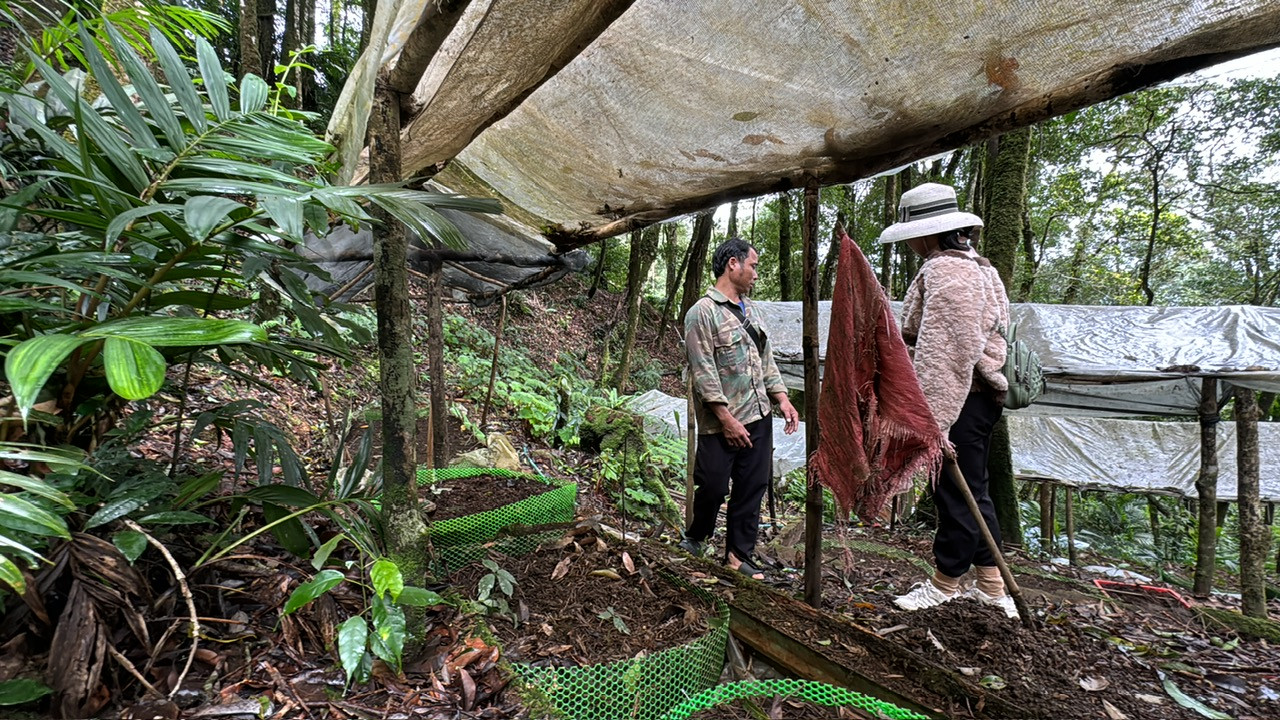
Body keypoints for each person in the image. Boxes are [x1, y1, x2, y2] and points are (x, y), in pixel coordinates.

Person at [879, 183, 1018, 619]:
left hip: (960, 398)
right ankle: (992, 585)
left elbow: (947, 351)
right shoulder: (976, 267)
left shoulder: (950, 273)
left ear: (928, 233)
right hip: (971, 398)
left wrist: (933, 422)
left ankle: (946, 583)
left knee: (956, 491)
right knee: (971, 488)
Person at [680, 237, 799, 579]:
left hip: (759, 415)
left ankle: (737, 556)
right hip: (721, 422)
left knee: (751, 487)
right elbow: (702, 371)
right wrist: (725, 418)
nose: (756, 274)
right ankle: (697, 535)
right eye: (754, 265)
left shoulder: (754, 311)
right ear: (733, 264)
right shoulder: (701, 313)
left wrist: (783, 399)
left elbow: (766, 361)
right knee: (714, 485)